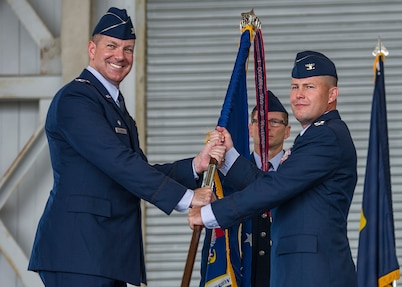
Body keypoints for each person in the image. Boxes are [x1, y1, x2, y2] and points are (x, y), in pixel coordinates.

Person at [27, 7, 225, 287]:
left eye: (128, 49)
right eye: (111, 46)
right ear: (91, 49)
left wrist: (195, 165)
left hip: (105, 253)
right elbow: (118, 162)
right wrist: (187, 198)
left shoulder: (112, 105)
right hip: (79, 252)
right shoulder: (76, 99)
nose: (120, 56)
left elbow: (136, 169)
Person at [189, 50, 358, 287]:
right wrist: (229, 157)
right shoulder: (314, 136)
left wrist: (210, 214)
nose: (299, 95)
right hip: (298, 272)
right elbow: (277, 185)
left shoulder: (326, 136)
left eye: (309, 87)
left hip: (314, 274)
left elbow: (276, 187)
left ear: (332, 94)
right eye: (295, 87)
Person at [199, 91, 291, 287]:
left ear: (288, 130)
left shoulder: (294, 172)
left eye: (275, 122)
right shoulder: (226, 178)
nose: (267, 127)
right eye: (260, 122)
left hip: (284, 275)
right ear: (250, 129)